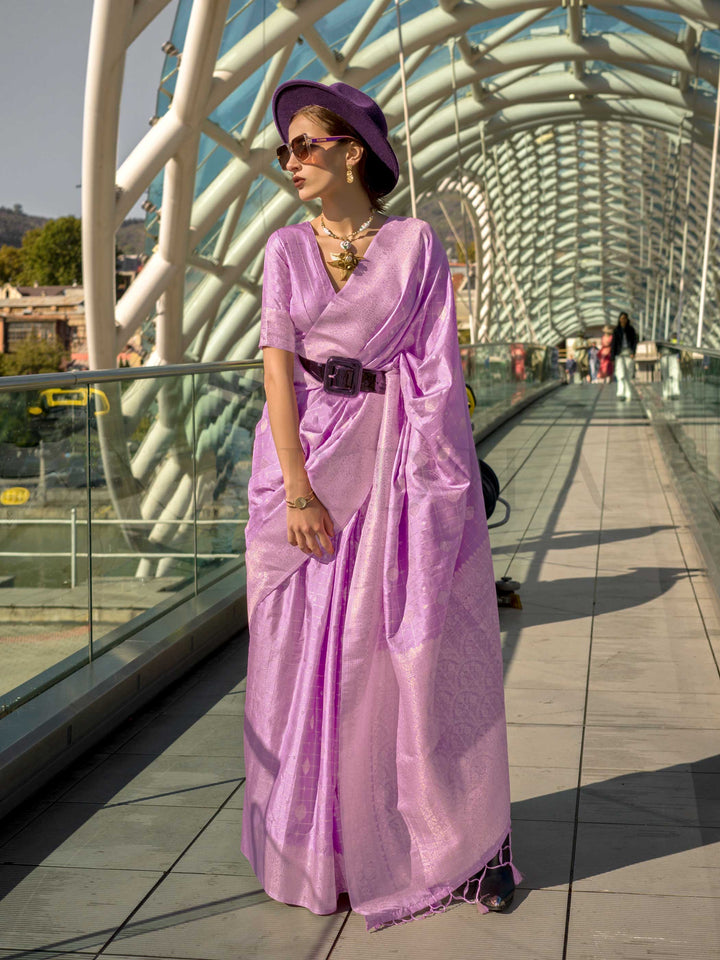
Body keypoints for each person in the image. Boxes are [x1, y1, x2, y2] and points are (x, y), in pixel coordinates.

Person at [241, 80, 519, 933]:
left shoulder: (415, 244)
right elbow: (277, 369)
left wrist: (430, 491)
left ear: (352, 152)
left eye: (304, 145)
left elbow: (437, 372)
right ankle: (320, 848)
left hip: (394, 462)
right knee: (301, 655)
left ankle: (448, 844)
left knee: (392, 655)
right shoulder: (285, 249)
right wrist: (297, 488)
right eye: (285, 149)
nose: (290, 161)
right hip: (306, 460)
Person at [611, 311, 638, 400]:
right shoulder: (616, 331)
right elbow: (613, 344)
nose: (623, 320)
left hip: (628, 354)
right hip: (620, 354)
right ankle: (620, 393)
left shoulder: (631, 330)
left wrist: (633, 352)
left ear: (627, 319)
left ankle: (628, 393)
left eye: (625, 318)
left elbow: (634, 342)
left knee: (628, 374)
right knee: (620, 374)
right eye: (622, 318)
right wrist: (612, 357)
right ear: (619, 319)